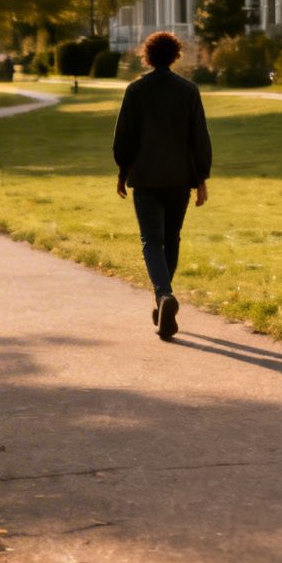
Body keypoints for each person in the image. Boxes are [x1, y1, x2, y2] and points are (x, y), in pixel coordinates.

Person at [112, 30, 211, 341]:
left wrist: (122, 171)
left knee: (151, 241)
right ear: (175, 56)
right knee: (172, 238)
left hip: (145, 177)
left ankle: (164, 295)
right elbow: (199, 138)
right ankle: (163, 298)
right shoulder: (189, 91)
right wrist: (201, 178)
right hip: (179, 179)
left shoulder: (136, 90)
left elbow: (124, 138)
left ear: (148, 56)